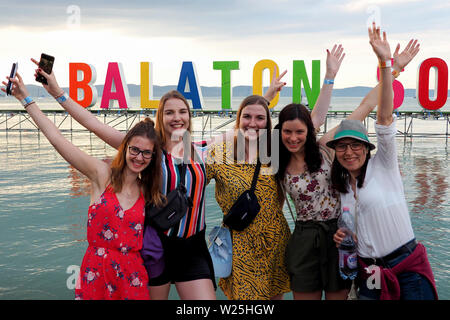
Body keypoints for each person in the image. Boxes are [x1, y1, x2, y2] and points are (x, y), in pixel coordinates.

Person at [26, 60, 217, 299]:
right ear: (160, 117)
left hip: (192, 246)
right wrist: (58, 93)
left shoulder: (204, 150)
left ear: (190, 116)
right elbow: (93, 124)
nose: (176, 118)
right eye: (169, 112)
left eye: (182, 112)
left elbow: (248, 135)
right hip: (156, 246)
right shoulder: (149, 151)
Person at [275, 40, 421, 300]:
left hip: (338, 235)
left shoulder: (325, 149)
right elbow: (246, 129)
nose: (294, 137)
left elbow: (364, 107)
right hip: (304, 237)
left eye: (300, 131)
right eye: (287, 131)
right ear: (280, 132)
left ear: (309, 131)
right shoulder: (276, 161)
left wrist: (393, 68)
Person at [2, 73, 163, 300]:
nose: (139, 157)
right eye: (135, 149)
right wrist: (26, 99)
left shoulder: (148, 189)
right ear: (125, 148)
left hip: (132, 277)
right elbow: (58, 139)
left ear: (153, 156)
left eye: (147, 153)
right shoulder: (102, 174)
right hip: (96, 274)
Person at [330, 23, 437, 300]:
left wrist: (387, 66)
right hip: (369, 272)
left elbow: (384, 118)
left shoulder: (384, 165)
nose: (349, 151)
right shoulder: (341, 186)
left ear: (367, 149)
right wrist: (344, 237)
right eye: (341, 146)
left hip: (406, 266)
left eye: (356, 145)